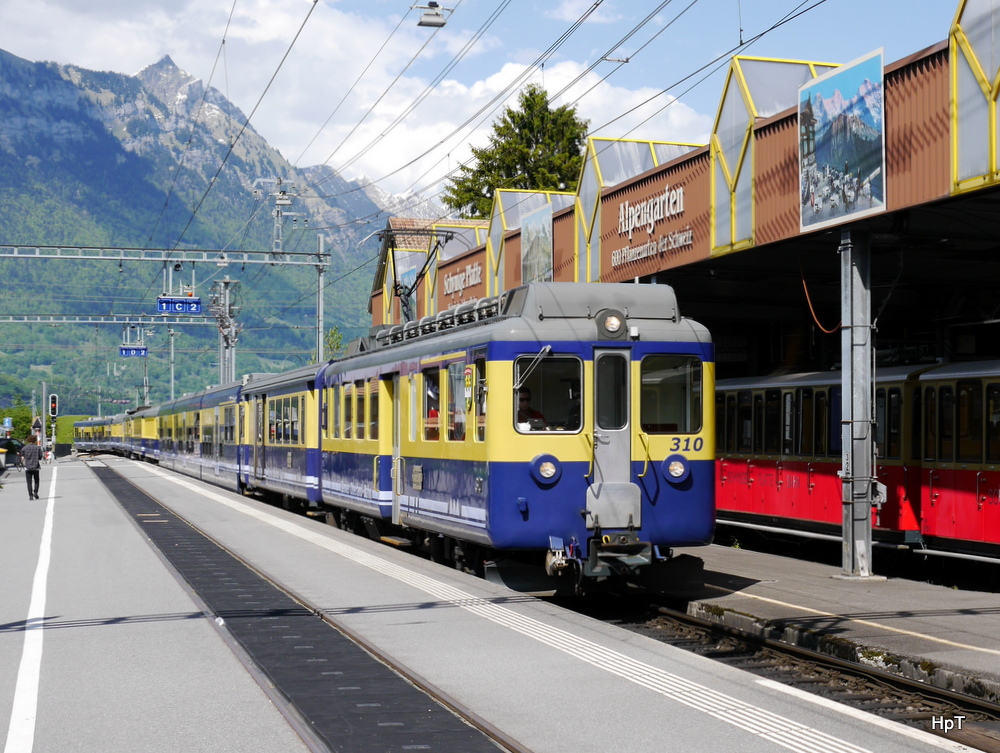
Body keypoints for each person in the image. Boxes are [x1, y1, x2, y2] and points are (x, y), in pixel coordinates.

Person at [20, 434, 42, 500]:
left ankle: (30, 495)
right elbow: (40, 457)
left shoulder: (24, 448)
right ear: (35, 440)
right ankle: (35, 492)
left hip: (28, 467)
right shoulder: (37, 448)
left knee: (29, 482)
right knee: (36, 480)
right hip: (36, 467)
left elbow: (22, 457)